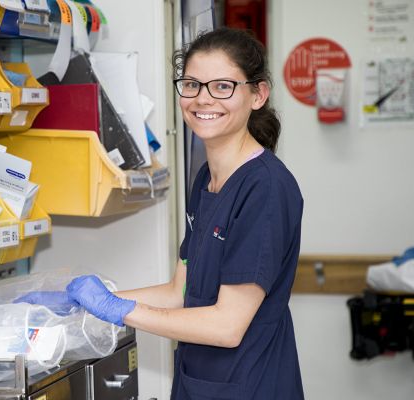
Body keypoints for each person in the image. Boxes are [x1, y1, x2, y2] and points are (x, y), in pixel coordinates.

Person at [22, 27, 305, 400]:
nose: (202, 99)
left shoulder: (264, 188)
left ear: (258, 94)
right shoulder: (207, 178)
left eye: (222, 86)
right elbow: (180, 291)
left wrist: (118, 309)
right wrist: (84, 305)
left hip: (250, 385)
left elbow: (227, 326)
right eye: (191, 84)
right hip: (200, 381)